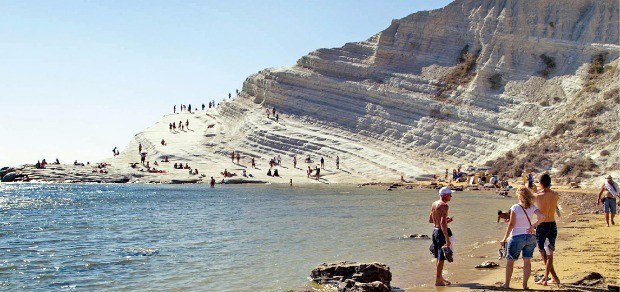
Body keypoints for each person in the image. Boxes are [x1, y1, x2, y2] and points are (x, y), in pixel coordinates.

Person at [500, 187, 545, 290]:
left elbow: (511, 224)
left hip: (516, 236)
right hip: (530, 237)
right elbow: (542, 216)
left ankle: (506, 284)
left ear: (519, 196)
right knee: (527, 261)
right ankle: (525, 285)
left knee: (510, 261)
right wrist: (533, 226)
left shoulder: (515, 207)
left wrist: (504, 238)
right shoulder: (532, 207)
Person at [534, 173, 561, 286]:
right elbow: (555, 208)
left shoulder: (537, 196)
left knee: (543, 253)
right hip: (552, 224)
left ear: (540, 183)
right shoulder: (555, 194)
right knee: (549, 253)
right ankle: (554, 278)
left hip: (542, 225)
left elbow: (527, 202)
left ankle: (545, 278)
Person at [428, 187, 454, 286]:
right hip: (441, 233)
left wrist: (445, 221)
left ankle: (440, 277)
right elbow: (443, 224)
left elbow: (431, 220)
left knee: (438, 257)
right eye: (450, 194)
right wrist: (447, 239)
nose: (451, 196)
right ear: (444, 195)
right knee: (441, 258)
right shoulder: (444, 206)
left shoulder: (434, 204)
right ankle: (438, 280)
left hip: (435, 231)